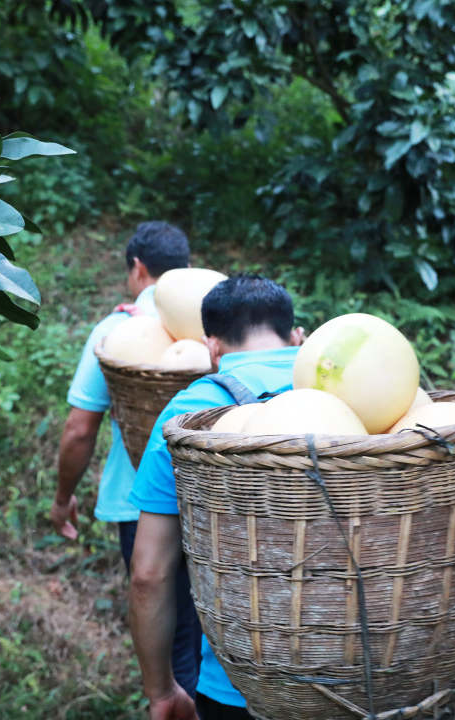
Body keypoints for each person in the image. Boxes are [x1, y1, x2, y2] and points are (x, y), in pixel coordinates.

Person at [129, 275, 304, 720]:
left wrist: (162, 689)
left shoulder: (189, 416)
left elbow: (149, 572)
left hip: (240, 686)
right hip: (367, 676)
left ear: (212, 349)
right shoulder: (350, 393)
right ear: (297, 337)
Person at [51, 220, 202, 698]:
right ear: (187, 269)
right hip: (218, 502)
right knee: (213, 641)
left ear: (137, 268)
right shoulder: (215, 330)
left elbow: (80, 429)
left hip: (140, 504)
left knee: (172, 644)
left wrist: (63, 497)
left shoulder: (118, 330)